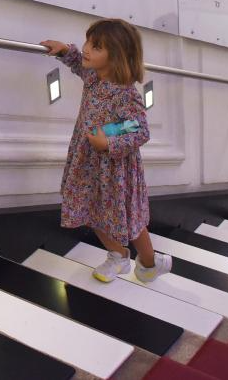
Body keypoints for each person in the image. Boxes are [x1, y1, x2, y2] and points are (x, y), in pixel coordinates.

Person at [42, 18, 171, 283]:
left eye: (96, 46)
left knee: (131, 222)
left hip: (116, 170)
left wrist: (108, 141)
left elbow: (139, 129)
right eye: (88, 42)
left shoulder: (125, 94)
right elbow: (79, 63)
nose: (86, 49)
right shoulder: (94, 77)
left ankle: (150, 263)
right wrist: (64, 50)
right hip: (88, 163)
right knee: (89, 210)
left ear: (116, 56)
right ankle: (118, 255)